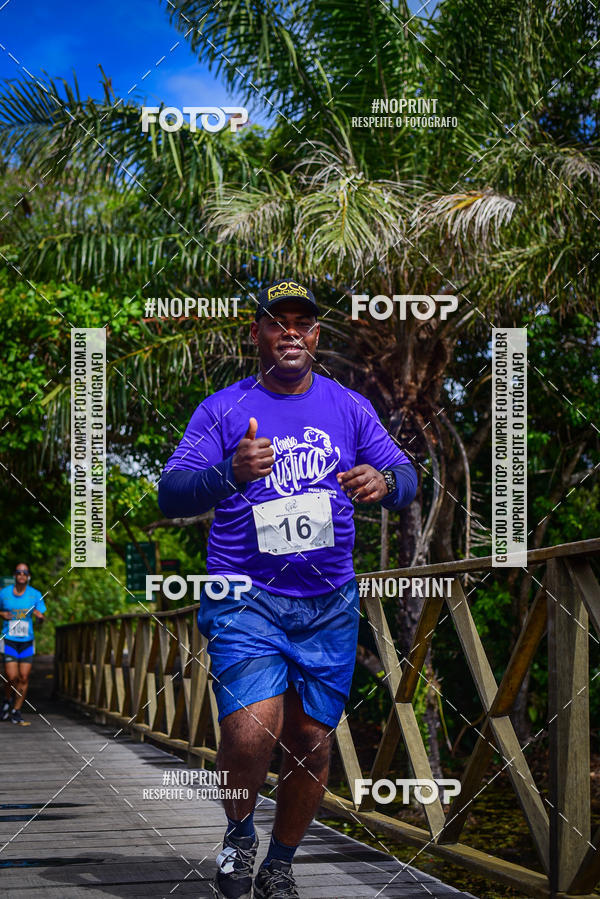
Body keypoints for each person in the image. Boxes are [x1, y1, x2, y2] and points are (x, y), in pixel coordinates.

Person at [158, 279, 417, 899]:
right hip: (244, 593)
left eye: (303, 323)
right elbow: (171, 494)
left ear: (318, 337)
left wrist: (384, 482)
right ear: (258, 334)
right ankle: (240, 832)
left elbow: (407, 474)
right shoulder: (222, 408)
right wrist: (229, 472)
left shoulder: (349, 407)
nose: (291, 332)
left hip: (328, 602)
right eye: (277, 323)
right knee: (251, 728)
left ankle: (279, 862)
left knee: (309, 741)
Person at [0, 562, 46, 726]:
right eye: (18, 572)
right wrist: (2, 614)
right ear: (15, 575)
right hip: (9, 640)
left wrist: (40, 617)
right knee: (11, 676)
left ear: (28, 576)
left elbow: (41, 613)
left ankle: (16, 710)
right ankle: (6, 699)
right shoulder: (4, 593)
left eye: (25, 572)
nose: (21, 575)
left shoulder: (35, 594)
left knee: (24, 677)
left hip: (27, 641)